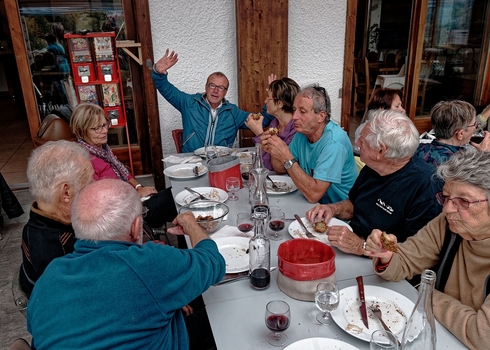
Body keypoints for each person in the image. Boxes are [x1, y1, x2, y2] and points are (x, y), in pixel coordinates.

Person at [27, 179, 225, 349]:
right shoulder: (148, 263)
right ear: (136, 226)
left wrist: (158, 298)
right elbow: (213, 261)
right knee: (223, 313)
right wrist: (190, 223)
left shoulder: (48, 276)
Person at [365, 147, 490, 349]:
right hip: (438, 335)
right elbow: (405, 260)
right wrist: (387, 256)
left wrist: (427, 294)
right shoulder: (449, 225)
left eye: (463, 201)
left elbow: (482, 336)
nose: (447, 209)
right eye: (446, 197)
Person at [306, 110, 441, 255]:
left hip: (383, 269)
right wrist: (333, 209)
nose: (356, 144)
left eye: (362, 141)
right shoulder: (374, 166)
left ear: (381, 150)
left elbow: (416, 254)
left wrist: (361, 247)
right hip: (348, 247)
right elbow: (355, 204)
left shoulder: (426, 188)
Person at [70, 103, 177, 229]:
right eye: (96, 128)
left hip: (130, 200)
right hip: (122, 216)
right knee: (176, 198)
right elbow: (101, 203)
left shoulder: (103, 150)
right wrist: (137, 195)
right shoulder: (84, 161)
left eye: (104, 125)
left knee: (177, 195)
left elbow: (124, 173)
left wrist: (138, 187)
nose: (104, 131)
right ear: (81, 130)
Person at [152, 49, 274, 152]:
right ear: (206, 87)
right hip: (192, 161)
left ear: (225, 92)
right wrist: (158, 73)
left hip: (221, 162)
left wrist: (271, 100)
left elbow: (262, 121)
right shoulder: (189, 103)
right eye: (212, 85)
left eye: (221, 88)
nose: (215, 90)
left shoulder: (234, 112)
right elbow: (166, 89)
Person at [19, 140, 94, 295]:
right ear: (66, 193)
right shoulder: (61, 251)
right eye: (89, 183)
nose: (94, 188)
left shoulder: (37, 220)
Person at [262, 84, 357, 204]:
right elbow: (280, 169)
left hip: (337, 213)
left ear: (321, 116)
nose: (295, 117)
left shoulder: (334, 142)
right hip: (310, 205)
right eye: (294, 109)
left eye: (302, 111)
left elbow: (314, 195)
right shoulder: (302, 133)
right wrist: (274, 149)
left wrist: (286, 157)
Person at [245, 74, 299, 170]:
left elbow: (279, 168)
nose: (265, 101)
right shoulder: (275, 123)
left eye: (268, 98)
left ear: (279, 104)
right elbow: (266, 160)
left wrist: (259, 133)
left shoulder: (296, 129)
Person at [414, 100, 478, 169]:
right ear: (460, 134)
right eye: (474, 124)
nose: (475, 128)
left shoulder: (418, 149)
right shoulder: (460, 163)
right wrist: (485, 154)